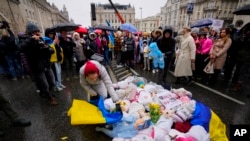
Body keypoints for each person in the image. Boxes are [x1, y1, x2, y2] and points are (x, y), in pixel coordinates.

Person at [20, 23, 57, 105]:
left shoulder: (41, 39)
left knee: (52, 82)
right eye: (35, 32)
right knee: (45, 84)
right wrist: (31, 39)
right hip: (37, 67)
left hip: (46, 64)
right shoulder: (26, 40)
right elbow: (21, 48)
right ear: (30, 32)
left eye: (38, 31)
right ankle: (49, 98)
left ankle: (46, 92)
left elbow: (50, 50)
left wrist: (47, 48)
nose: (37, 33)